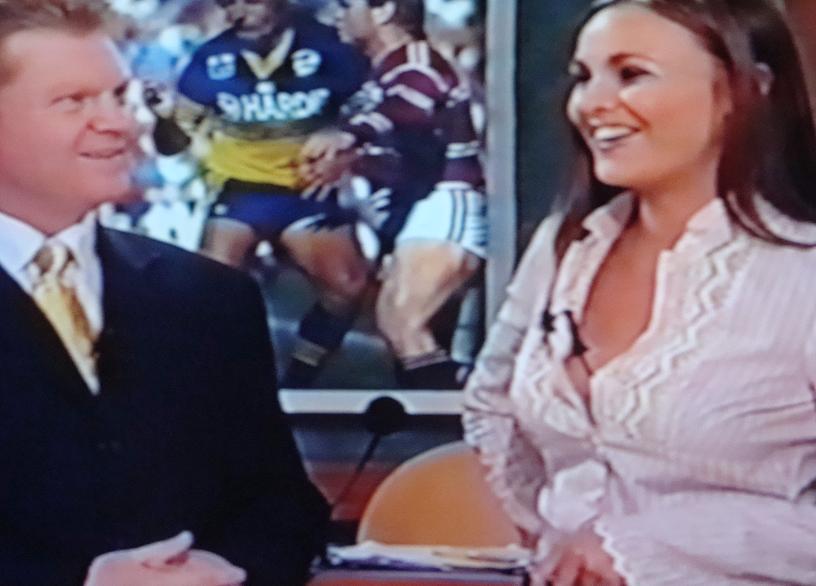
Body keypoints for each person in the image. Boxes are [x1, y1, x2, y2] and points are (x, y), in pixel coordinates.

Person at [463, 0, 816, 584]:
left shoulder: (801, 273)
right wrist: (556, 539)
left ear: (746, 90)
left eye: (631, 74)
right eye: (583, 77)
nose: (591, 103)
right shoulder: (565, 246)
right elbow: (493, 404)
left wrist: (649, 545)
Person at [0, 1, 327, 584]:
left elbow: (283, 511)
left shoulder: (209, 299)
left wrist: (222, 570)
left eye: (119, 97)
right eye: (74, 101)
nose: (120, 124)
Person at [292, 0, 487, 389]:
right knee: (404, 329)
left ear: (383, 11)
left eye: (348, 5)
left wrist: (351, 135)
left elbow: (410, 108)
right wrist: (348, 162)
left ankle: (476, 409)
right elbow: (404, 146)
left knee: (403, 319)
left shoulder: (415, 61)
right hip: (414, 207)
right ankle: (444, 405)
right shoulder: (380, 72)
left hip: (446, 199)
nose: (338, 15)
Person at [150, 0, 371, 304]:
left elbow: (377, 111)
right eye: (227, 3)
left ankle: (311, 339)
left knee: (348, 289)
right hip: (240, 190)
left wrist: (346, 140)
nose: (238, 11)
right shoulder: (210, 58)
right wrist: (165, 118)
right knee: (210, 285)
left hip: (308, 188)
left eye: (251, 1)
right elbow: (172, 146)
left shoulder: (331, 48)